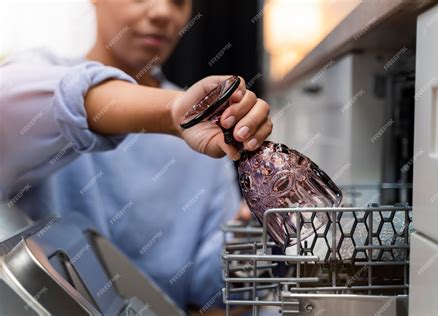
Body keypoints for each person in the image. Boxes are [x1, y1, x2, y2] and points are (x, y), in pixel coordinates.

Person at [0, 0, 272, 311]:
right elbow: (49, 101)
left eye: (179, 1)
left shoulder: (206, 139)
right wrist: (172, 112)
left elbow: (208, 286)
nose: (162, 12)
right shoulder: (37, 76)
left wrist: (251, 235)